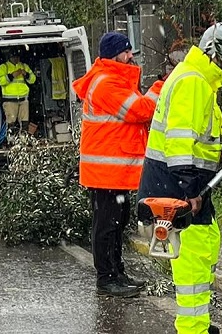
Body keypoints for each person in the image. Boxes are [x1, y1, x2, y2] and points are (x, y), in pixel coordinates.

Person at [136, 22, 222, 334]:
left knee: (205, 246)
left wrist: (221, 154)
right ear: (212, 53)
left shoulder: (197, 80)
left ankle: (198, 323)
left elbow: (197, 140)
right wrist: (189, 193)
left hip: (182, 182)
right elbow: (180, 145)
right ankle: (192, 328)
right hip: (176, 186)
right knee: (191, 262)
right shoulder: (193, 82)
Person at [72, 32, 160, 298]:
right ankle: (107, 278)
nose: (130, 56)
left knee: (116, 224)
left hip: (113, 172)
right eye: (126, 51)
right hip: (105, 172)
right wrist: (160, 88)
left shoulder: (112, 81)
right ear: (114, 55)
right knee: (107, 226)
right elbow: (142, 111)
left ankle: (116, 272)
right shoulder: (106, 83)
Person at [0, 51, 36, 132]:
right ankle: (12, 141)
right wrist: (11, 76)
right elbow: (0, 81)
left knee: (25, 122)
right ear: (9, 57)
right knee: (11, 123)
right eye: (13, 57)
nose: (16, 59)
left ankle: (24, 139)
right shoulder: (3, 67)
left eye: (17, 57)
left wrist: (27, 74)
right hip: (10, 100)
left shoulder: (24, 66)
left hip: (23, 99)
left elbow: (33, 79)